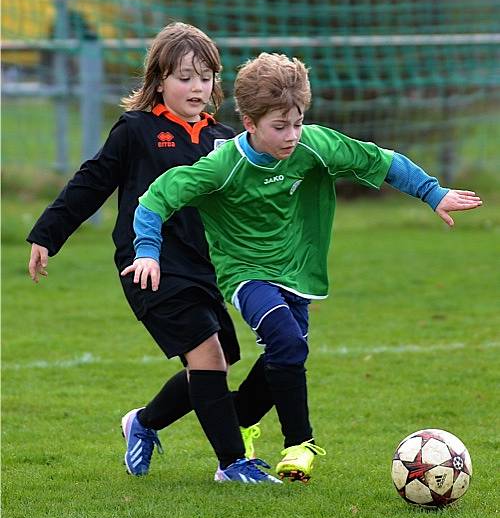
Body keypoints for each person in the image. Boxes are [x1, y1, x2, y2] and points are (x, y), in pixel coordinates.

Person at [123, 52, 483, 483]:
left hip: (299, 273)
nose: (292, 135)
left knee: (279, 362)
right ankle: (299, 444)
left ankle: (156, 420)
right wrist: (147, 251)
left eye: (297, 123)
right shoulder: (224, 165)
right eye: (280, 127)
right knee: (287, 344)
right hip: (245, 272)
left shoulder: (315, 144)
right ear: (250, 123)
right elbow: (156, 198)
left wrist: (432, 192)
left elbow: (381, 161)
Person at [27, 23, 281, 485]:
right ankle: (231, 464)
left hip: (205, 269)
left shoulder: (223, 140)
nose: (196, 86)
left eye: (205, 76)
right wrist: (47, 233)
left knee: (221, 358)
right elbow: (92, 181)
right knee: (208, 356)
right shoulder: (137, 130)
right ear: (159, 80)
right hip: (149, 266)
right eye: (184, 76)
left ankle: (143, 422)